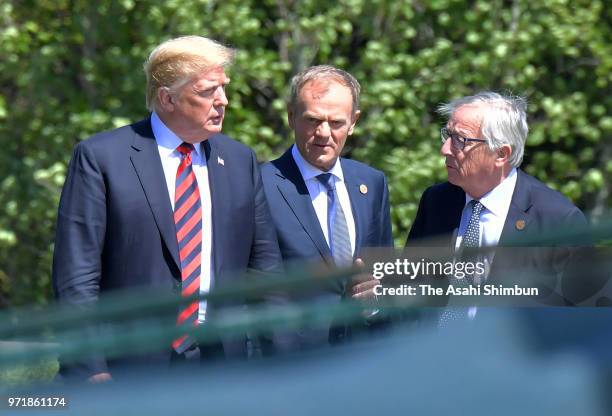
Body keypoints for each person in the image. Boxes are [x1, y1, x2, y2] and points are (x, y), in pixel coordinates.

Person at [52, 36, 282, 381]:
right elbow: (77, 276)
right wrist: (90, 369)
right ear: (167, 98)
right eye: (208, 92)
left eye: (223, 88)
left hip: (223, 367)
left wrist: (284, 363)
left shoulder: (239, 160)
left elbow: (266, 273)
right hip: (129, 367)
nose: (223, 101)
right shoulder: (103, 158)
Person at [405, 92, 589, 313]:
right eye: (447, 135)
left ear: (501, 154)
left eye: (460, 140)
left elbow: (583, 321)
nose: (445, 149)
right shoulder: (437, 201)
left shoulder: (558, 220)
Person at [261, 65, 393, 348]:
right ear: (291, 117)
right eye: (312, 120)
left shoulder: (371, 183)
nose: (323, 133)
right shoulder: (260, 185)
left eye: (336, 123)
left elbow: (383, 276)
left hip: (361, 357)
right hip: (291, 362)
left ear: (354, 121)